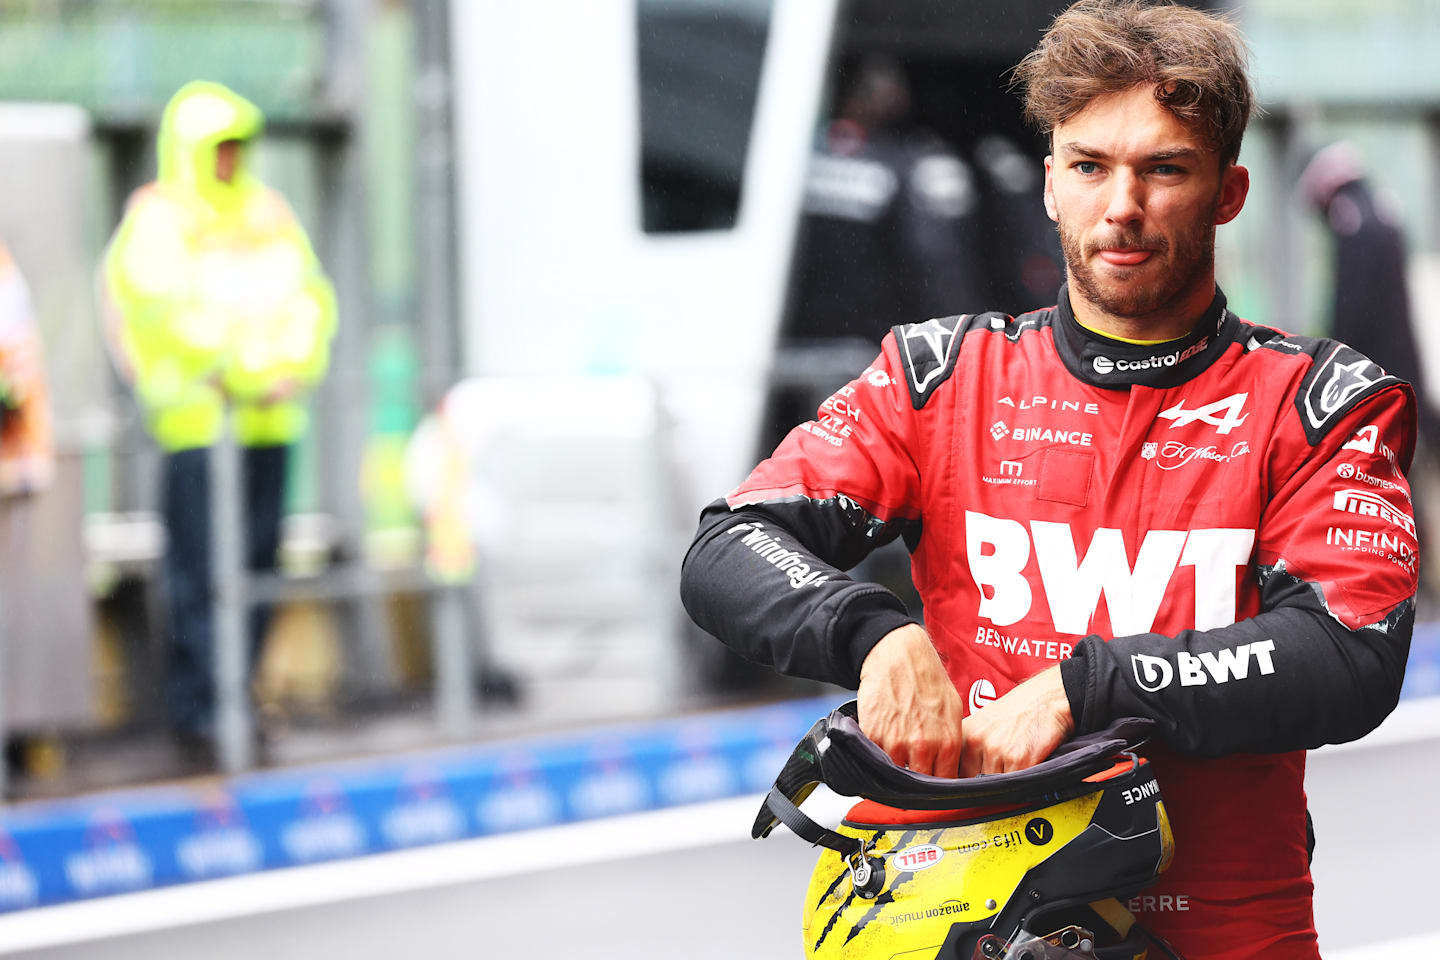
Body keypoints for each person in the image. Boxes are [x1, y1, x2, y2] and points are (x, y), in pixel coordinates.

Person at [681, 2, 1416, 957]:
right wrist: (874, 633)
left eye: (1163, 168)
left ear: (1229, 191)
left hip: (1219, 932)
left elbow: (1351, 653)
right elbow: (727, 544)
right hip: (968, 917)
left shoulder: (1321, 403)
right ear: (1048, 185)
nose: (1122, 205)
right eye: (1089, 166)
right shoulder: (940, 377)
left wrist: (1084, 687)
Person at [102, 81, 337, 763]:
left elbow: (311, 299)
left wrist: (290, 368)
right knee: (200, 574)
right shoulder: (159, 219)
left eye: (238, 146)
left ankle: (238, 693)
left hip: (268, 424)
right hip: (200, 427)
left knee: (258, 564)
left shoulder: (267, 213)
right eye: (219, 147)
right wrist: (241, 370)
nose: (231, 159)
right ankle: (200, 706)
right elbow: (162, 308)